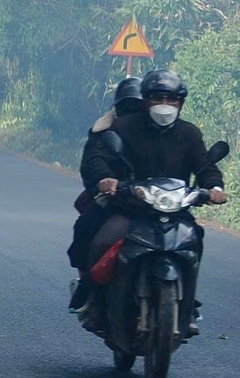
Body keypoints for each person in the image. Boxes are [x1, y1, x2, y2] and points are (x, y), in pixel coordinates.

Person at [75, 69, 227, 336]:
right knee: (102, 241)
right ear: (145, 100)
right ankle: (97, 303)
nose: (164, 106)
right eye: (158, 98)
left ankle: (188, 306)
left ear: (181, 103)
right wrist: (105, 179)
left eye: (171, 99)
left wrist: (214, 187)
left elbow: (204, 166)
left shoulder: (189, 134)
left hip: (175, 212)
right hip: (131, 209)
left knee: (195, 239)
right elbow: (97, 158)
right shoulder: (123, 128)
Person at [65, 76, 144, 305]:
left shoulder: (157, 131)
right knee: (85, 229)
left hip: (156, 200)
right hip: (115, 197)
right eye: (126, 106)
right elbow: (93, 161)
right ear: (117, 108)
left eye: (136, 106)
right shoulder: (103, 130)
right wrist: (104, 180)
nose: (131, 112)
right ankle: (85, 286)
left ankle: (186, 299)